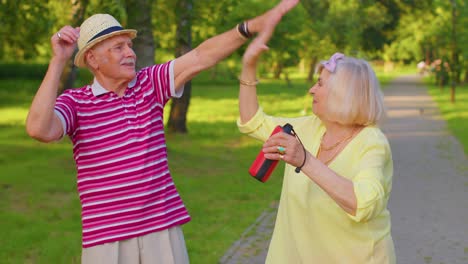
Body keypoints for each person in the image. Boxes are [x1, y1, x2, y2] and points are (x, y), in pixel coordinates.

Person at [25, 1, 299, 263]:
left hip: (162, 228)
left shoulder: (149, 85)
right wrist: (59, 59)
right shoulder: (76, 103)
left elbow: (202, 56)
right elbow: (39, 129)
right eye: (118, 47)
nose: (130, 53)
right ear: (93, 59)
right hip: (107, 239)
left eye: (130, 46)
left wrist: (249, 27)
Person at [237, 37, 396, 262]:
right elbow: (252, 121)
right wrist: (248, 66)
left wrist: (305, 161)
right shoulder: (309, 127)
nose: (311, 90)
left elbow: (364, 204)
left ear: (343, 94)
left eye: (320, 83)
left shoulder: (372, 143)